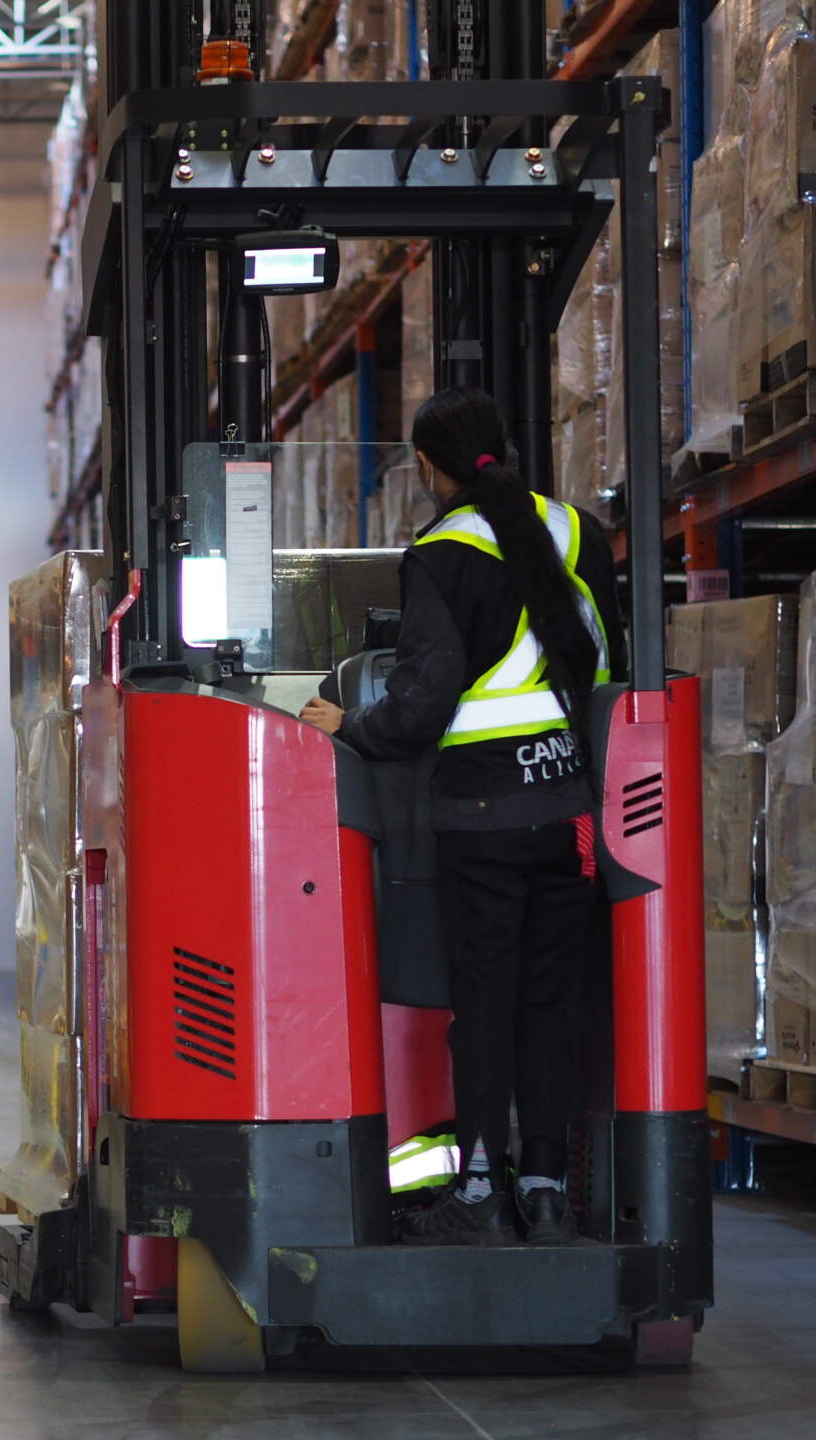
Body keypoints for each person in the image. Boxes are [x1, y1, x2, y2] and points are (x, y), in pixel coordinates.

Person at [298, 386, 626, 1246]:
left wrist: (349, 727)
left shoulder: (442, 551)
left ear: (429, 468)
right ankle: (549, 1192)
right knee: (549, 1002)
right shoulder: (579, 531)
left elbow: (418, 705)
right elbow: (607, 666)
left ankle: (481, 1192)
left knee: (483, 1005)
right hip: (570, 815)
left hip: (481, 816)